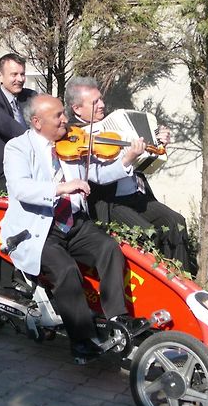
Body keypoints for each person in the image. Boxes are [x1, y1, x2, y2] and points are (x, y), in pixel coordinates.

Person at [0, 93, 149, 359]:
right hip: (37, 228)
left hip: (72, 223)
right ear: (36, 122)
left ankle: (117, 317)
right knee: (66, 270)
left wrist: (127, 160)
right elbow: (21, 188)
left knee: (109, 248)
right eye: (58, 116)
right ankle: (81, 339)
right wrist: (60, 188)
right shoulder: (17, 148)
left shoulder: (70, 141)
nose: (65, 120)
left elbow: (97, 174)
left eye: (63, 113)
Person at [64, 76, 192, 271]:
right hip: (109, 202)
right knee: (148, 234)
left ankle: (182, 282)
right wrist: (128, 156)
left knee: (176, 222)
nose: (102, 105)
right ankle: (149, 289)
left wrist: (157, 142)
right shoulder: (74, 136)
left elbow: (146, 163)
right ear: (77, 109)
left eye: (101, 99)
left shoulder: (112, 123)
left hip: (136, 194)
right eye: (94, 102)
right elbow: (94, 174)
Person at [0, 53, 37, 191]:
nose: (20, 79)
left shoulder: (31, 96)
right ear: (0, 76)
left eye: (22, 74)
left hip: (29, 167)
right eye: (14, 74)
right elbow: (4, 123)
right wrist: (34, 140)